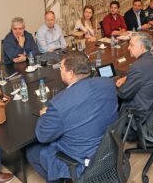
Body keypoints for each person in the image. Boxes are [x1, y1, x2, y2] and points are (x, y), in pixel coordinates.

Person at [25, 51, 118, 182]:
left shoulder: (60, 103)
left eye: (61, 68)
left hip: (83, 161)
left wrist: (44, 114)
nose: (60, 71)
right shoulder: (107, 83)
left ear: (70, 74)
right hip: (108, 149)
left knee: (31, 151)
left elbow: (42, 136)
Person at [116, 32, 153, 119]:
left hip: (137, 115)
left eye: (131, 45)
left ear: (142, 48)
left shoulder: (137, 67)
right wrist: (127, 77)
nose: (128, 48)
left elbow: (123, 94)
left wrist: (114, 87)